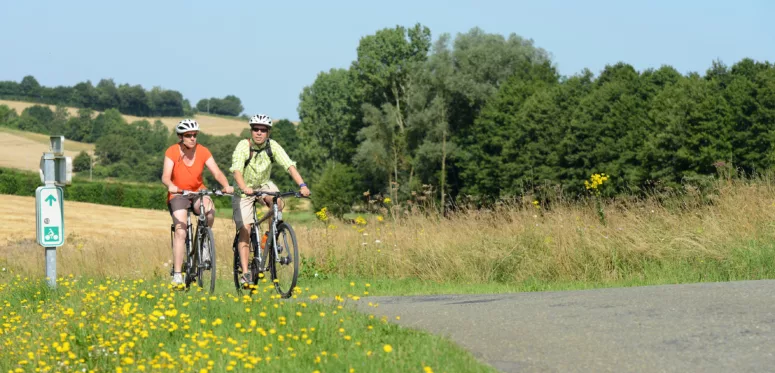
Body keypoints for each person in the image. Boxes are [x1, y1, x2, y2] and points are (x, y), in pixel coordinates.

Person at [230, 113, 310, 287]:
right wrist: (244, 187)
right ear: (251, 131)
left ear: (268, 132)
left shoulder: (272, 146)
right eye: (256, 129)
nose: (259, 133)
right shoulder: (243, 146)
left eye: (263, 130)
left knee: (278, 202)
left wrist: (302, 185)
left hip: (264, 185)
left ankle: (269, 238)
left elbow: (289, 165)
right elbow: (236, 169)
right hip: (243, 191)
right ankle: (245, 273)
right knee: (246, 228)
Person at [161, 119, 234, 287]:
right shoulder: (172, 151)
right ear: (181, 136)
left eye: (195, 135)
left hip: (197, 192)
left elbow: (216, 172)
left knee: (209, 209)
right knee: (181, 231)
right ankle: (178, 274)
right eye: (188, 135)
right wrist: (171, 186)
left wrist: (226, 185)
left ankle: (204, 243)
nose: (193, 138)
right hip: (178, 194)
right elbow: (165, 176)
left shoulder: (203, 151)